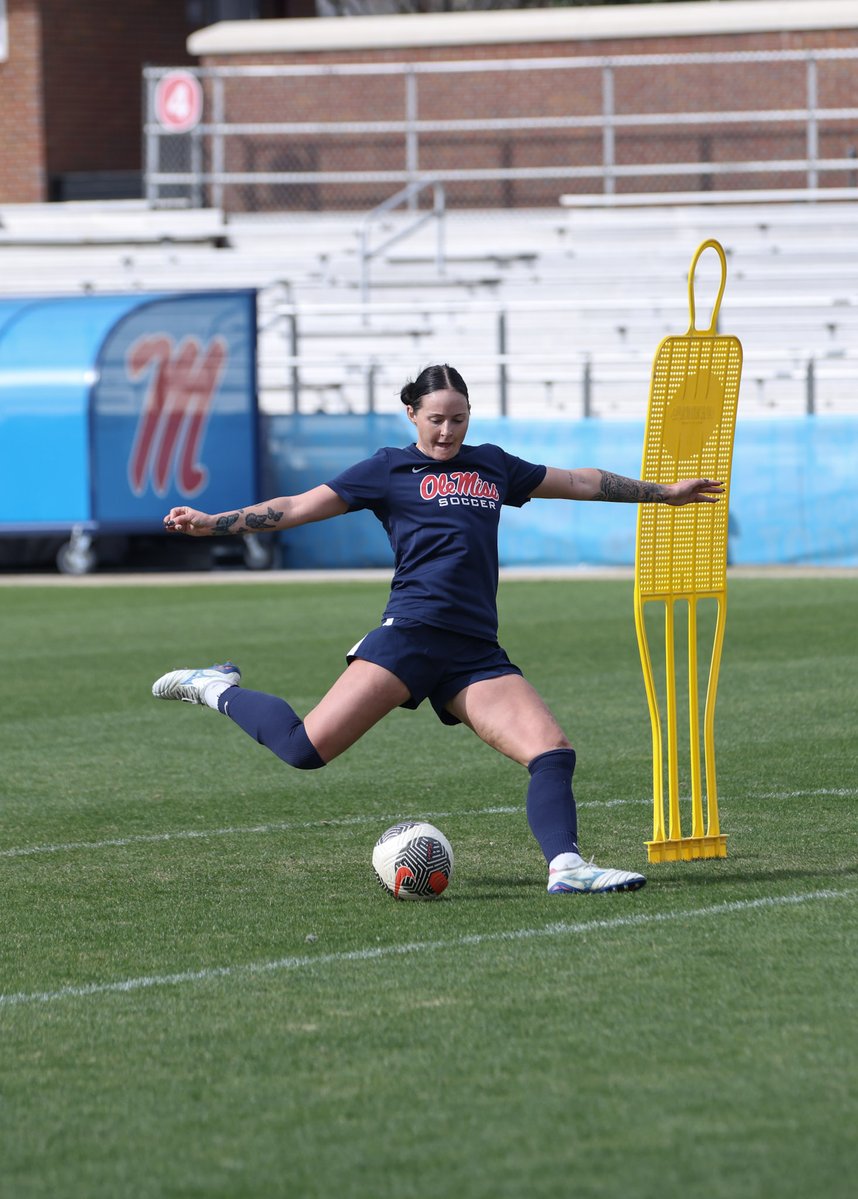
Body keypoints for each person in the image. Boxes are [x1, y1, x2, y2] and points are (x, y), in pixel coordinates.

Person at [152, 364, 724, 895]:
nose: (447, 430)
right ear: (411, 414)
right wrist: (213, 522)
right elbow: (297, 507)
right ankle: (215, 688)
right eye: (436, 419)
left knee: (552, 752)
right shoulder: (387, 469)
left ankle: (567, 867)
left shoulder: (493, 465)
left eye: (459, 418)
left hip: (475, 649)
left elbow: (577, 481)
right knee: (304, 750)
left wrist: (664, 493)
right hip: (411, 636)